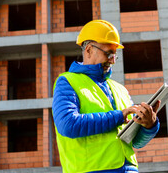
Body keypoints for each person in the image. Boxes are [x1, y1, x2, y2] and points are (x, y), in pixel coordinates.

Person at [52, 19, 161, 173]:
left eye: (114, 55)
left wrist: (149, 124)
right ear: (89, 49)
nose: (112, 61)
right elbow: (68, 124)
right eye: (108, 53)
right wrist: (119, 116)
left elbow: (135, 142)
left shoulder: (119, 89)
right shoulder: (67, 82)